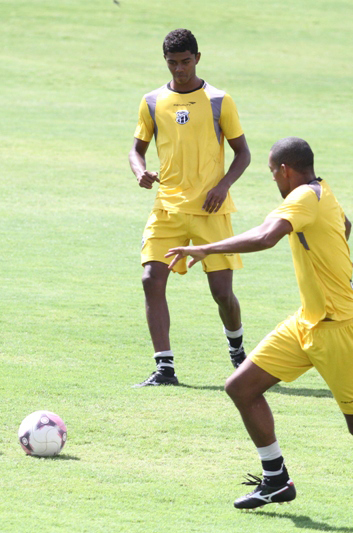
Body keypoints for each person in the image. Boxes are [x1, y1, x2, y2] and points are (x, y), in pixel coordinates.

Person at [166, 137, 353, 514]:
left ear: (285, 170)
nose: (273, 179)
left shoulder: (302, 197)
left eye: (272, 173)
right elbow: (344, 225)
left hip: (342, 329)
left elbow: (266, 236)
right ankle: (276, 480)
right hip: (307, 322)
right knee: (241, 387)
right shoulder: (322, 192)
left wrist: (207, 248)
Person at [129, 29, 251, 387]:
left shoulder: (219, 100)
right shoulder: (152, 101)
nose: (179, 69)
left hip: (211, 211)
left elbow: (243, 153)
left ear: (197, 58)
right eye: (172, 63)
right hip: (167, 209)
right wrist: (140, 171)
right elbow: (136, 150)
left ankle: (237, 351)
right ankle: (164, 368)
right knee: (151, 279)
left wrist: (223, 186)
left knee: (222, 293)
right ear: (165, 61)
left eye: (185, 62)